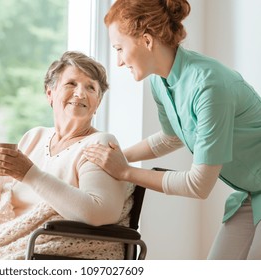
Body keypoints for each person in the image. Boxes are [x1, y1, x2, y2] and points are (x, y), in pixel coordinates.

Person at [83, 0, 261, 260]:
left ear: (146, 40)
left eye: (119, 48)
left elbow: (198, 185)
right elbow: (171, 137)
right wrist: (115, 156)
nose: (118, 61)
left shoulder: (209, 86)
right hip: (251, 191)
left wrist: (125, 171)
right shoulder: (160, 81)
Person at [0, 51, 133, 260]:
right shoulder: (35, 137)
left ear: (97, 102)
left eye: (91, 87)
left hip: (48, 252)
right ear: (50, 93)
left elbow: (100, 212)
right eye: (71, 84)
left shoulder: (100, 143)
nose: (80, 93)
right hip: (9, 243)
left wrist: (30, 174)